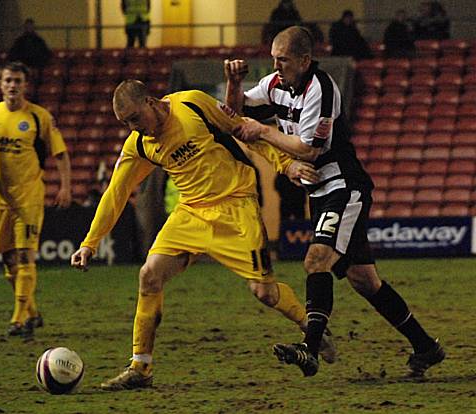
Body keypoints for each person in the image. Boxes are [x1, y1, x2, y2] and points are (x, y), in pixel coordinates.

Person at [70, 79, 335, 391]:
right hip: (191, 213)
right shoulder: (139, 144)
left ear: (152, 102)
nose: (134, 128)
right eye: (125, 123)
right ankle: (140, 368)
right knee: (149, 275)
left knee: (263, 292)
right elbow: (117, 192)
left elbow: (245, 133)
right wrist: (90, 242)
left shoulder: (193, 103)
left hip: (237, 206)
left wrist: (286, 164)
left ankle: (312, 328)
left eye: (135, 118)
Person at [224, 26, 445, 378]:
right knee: (364, 280)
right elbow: (233, 116)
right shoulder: (274, 84)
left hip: (344, 186)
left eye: (283, 60)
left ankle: (309, 348)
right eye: (274, 59)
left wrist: (264, 131)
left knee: (316, 260)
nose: (276, 66)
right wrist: (234, 85)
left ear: (305, 60)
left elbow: (310, 149)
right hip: (321, 192)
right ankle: (425, 347)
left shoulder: (321, 89)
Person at [0, 61, 71, 339]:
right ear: (0, 83)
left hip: (29, 196)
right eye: (8, 80)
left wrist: (65, 186)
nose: (13, 85)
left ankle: (18, 319)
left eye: (18, 80)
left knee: (24, 255)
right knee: (8, 260)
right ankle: (31, 311)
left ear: (25, 85)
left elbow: (61, 154)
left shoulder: (39, 117)